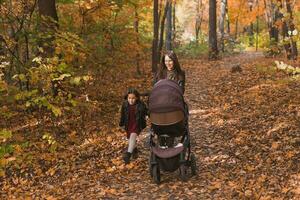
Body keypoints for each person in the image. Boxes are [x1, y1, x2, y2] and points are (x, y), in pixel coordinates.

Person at [119, 88, 148, 164]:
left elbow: (147, 112)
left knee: (132, 136)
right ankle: (134, 150)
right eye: (129, 98)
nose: (131, 100)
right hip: (128, 124)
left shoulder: (141, 105)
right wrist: (121, 123)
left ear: (137, 98)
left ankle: (128, 155)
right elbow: (122, 115)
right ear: (127, 97)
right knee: (130, 139)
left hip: (137, 124)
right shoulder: (125, 104)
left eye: (133, 98)